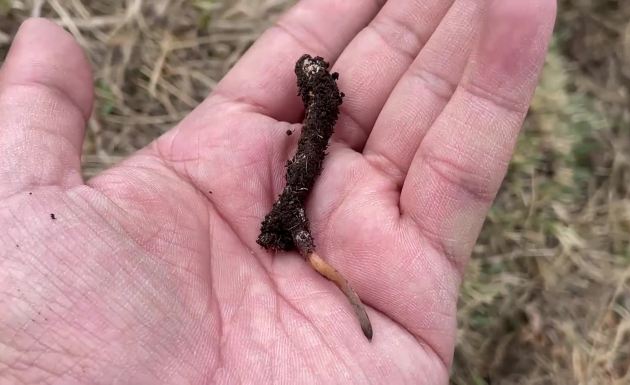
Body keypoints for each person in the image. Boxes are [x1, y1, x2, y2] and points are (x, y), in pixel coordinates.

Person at [0, 1, 556, 384]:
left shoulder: (321, 108)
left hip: (294, 219)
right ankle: (290, 227)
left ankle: (291, 226)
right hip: (291, 223)